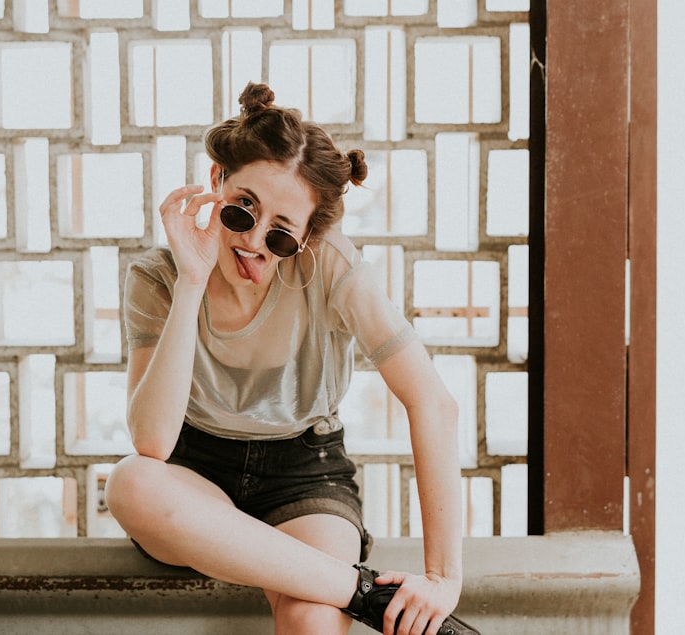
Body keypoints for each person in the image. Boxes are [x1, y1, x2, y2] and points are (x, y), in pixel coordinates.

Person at [104, 82, 478, 635]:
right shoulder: (157, 278)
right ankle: (363, 594)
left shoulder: (330, 267)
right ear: (217, 183)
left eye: (281, 236)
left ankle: (336, 588)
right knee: (132, 483)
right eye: (241, 211)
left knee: (313, 619)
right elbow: (153, 444)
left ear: (305, 239)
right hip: (193, 473)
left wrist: (444, 579)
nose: (253, 241)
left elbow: (432, 402)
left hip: (304, 473)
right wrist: (191, 281)